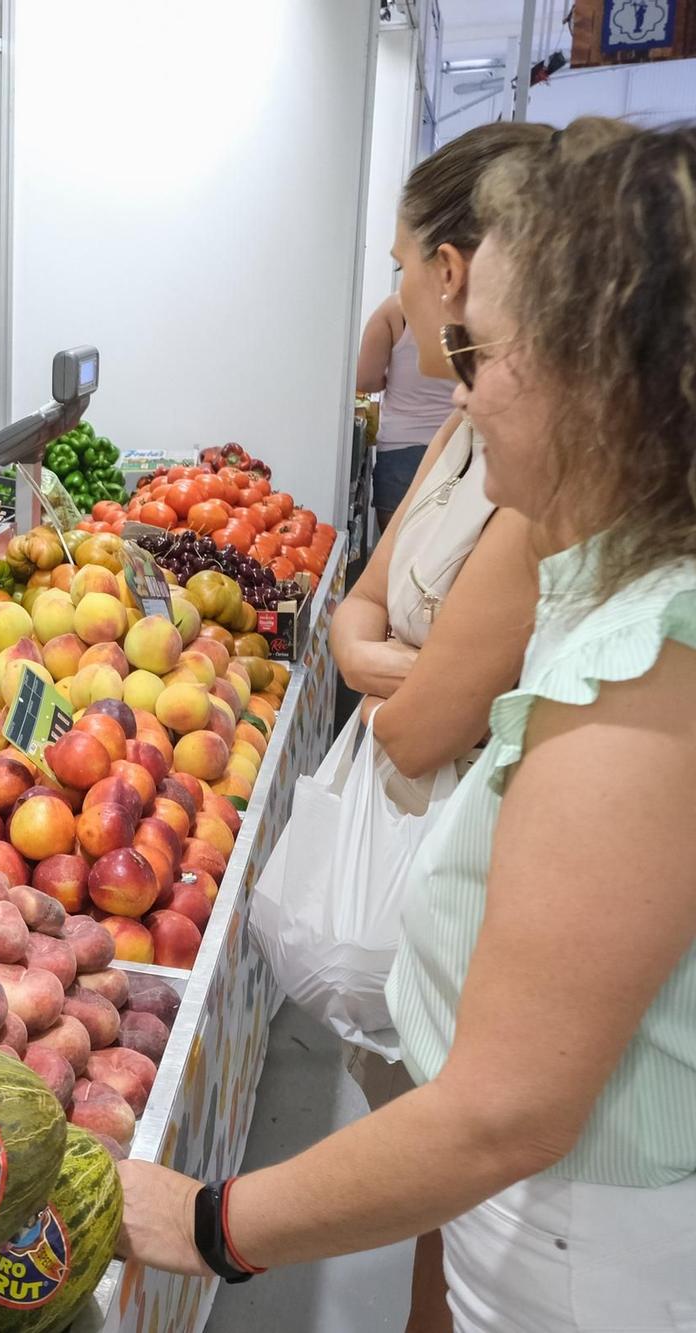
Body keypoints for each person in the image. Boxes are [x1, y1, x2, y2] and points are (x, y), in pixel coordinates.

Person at [117, 119, 696, 1333]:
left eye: (478, 351)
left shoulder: (653, 663)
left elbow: (502, 1109)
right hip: (536, 1210)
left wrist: (208, 1222)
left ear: (594, 369)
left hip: (577, 1243)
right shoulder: (615, 583)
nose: (460, 387)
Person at [324, 122, 552, 1332]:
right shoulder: (468, 428)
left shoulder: (537, 476)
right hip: (419, 873)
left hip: (462, 870)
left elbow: (417, 734)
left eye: (400, 261)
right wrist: (392, 661)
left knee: (457, 1186)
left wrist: (220, 1228)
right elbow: (357, 604)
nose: (396, 290)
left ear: (451, 272)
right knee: (433, 1174)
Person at [356, 291, 458, 531]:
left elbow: (365, 379)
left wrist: (390, 380)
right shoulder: (472, 307)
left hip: (400, 448)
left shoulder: (394, 309)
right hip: (456, 447)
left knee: (394, 557)